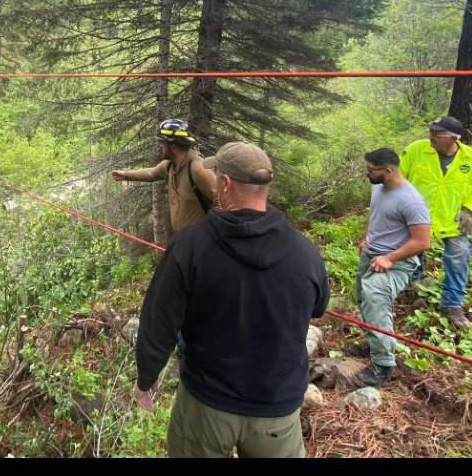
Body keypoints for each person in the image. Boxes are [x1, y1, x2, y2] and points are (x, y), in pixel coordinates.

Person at [134, 141, 330, 458]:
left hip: (206, 404)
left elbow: (159, 324)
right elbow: (318, 308)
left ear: (224, 184)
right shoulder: (306, 252)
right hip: (277, 410)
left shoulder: (190, 246)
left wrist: (146, 379)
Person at [349, 147, 431, 388]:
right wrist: (366, 239)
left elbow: (422, 241)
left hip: (397, 260)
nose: (366, 173)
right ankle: (374, 342)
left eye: (370, 170)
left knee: (375, 297)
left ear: (387, 170)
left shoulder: (411, 200)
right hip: (373, 253)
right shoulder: (379, 188)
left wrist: (390, 258)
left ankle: (383, 364)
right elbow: (374, 216)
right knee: (363, 297)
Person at [400, 116, 472, 330]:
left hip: (451, 219)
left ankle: (452, 305)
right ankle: (411, 286)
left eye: (438, 134)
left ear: (454, 138)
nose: (431, 137)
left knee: (458, 258)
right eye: (431, 132)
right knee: (413, 252)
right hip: (417, 216)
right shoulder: (416, 150)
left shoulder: (471, 159)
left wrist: (468, 210)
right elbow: (399, 180)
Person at [111, 118, 220, 234]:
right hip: (184, 241)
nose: (160, 146)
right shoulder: (170, 166)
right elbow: (151, 173)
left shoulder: (199, 168)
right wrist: (126, 175)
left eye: (162, 143)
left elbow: (222, 201)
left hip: (201, 243)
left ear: (173, 146)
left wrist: (210, 233)